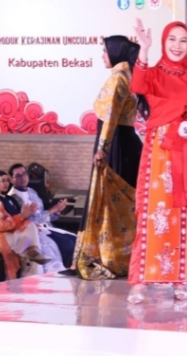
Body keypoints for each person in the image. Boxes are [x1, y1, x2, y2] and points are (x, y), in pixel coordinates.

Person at [127, 18, 187, 303]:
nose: (177, 45)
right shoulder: (153, 73)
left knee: (185, 213)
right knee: (154, 213)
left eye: (183, 40)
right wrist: (144, 49)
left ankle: (180, 278)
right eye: (172, 39)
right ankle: (141, 280)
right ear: (164, 42)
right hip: (159, 152)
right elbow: (137, 85)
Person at [73, 35, 143, 280]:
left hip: (116, 146)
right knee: (125, 204)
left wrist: (102, 148)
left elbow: (111, 115)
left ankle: (111, 258)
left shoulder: (118, 78)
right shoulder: (129, 75)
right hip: (127, 143)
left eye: (104, 51)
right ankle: (129, 257)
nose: (102, 56)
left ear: (115, 52)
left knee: (111, 204)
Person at [0, 169, 63, 274]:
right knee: (42, 244)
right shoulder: (1, 200)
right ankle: (43, 269)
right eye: (1, 181)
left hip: (28, 228)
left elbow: (24, 218)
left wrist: (54, 212)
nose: (5, 183)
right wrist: (26, 218)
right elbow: (6, 222)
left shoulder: (10, 198)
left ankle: (40, 266)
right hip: (11, 233)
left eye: (7, 180)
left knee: (66, 241)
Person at [8, 163, 75, 269]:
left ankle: (74, 268)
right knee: (68, 244)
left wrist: (57, 211)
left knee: (75, 239)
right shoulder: (13, 198)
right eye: (18, 176)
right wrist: (51, 210)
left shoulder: (32, 191)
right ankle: (66, 270)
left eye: (24, 174)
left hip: (48, 227)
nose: (22, 178)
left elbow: (44, 216)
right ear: (11, 179)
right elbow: (29, 221)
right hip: (36, 232)